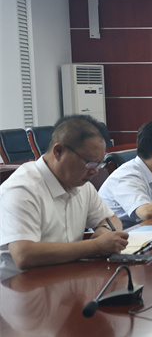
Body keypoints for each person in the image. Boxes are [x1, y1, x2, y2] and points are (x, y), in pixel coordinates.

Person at [0, 115, 128, 273]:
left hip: (66, 277)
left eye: (99, 163)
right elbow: (24, 254)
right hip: (22, 284)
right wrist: (95, 246)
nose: (95, 171)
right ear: (58, 151)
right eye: (89, 162)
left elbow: (111, 219)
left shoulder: (81, 184)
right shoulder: (22, 189)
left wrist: (105, 230)